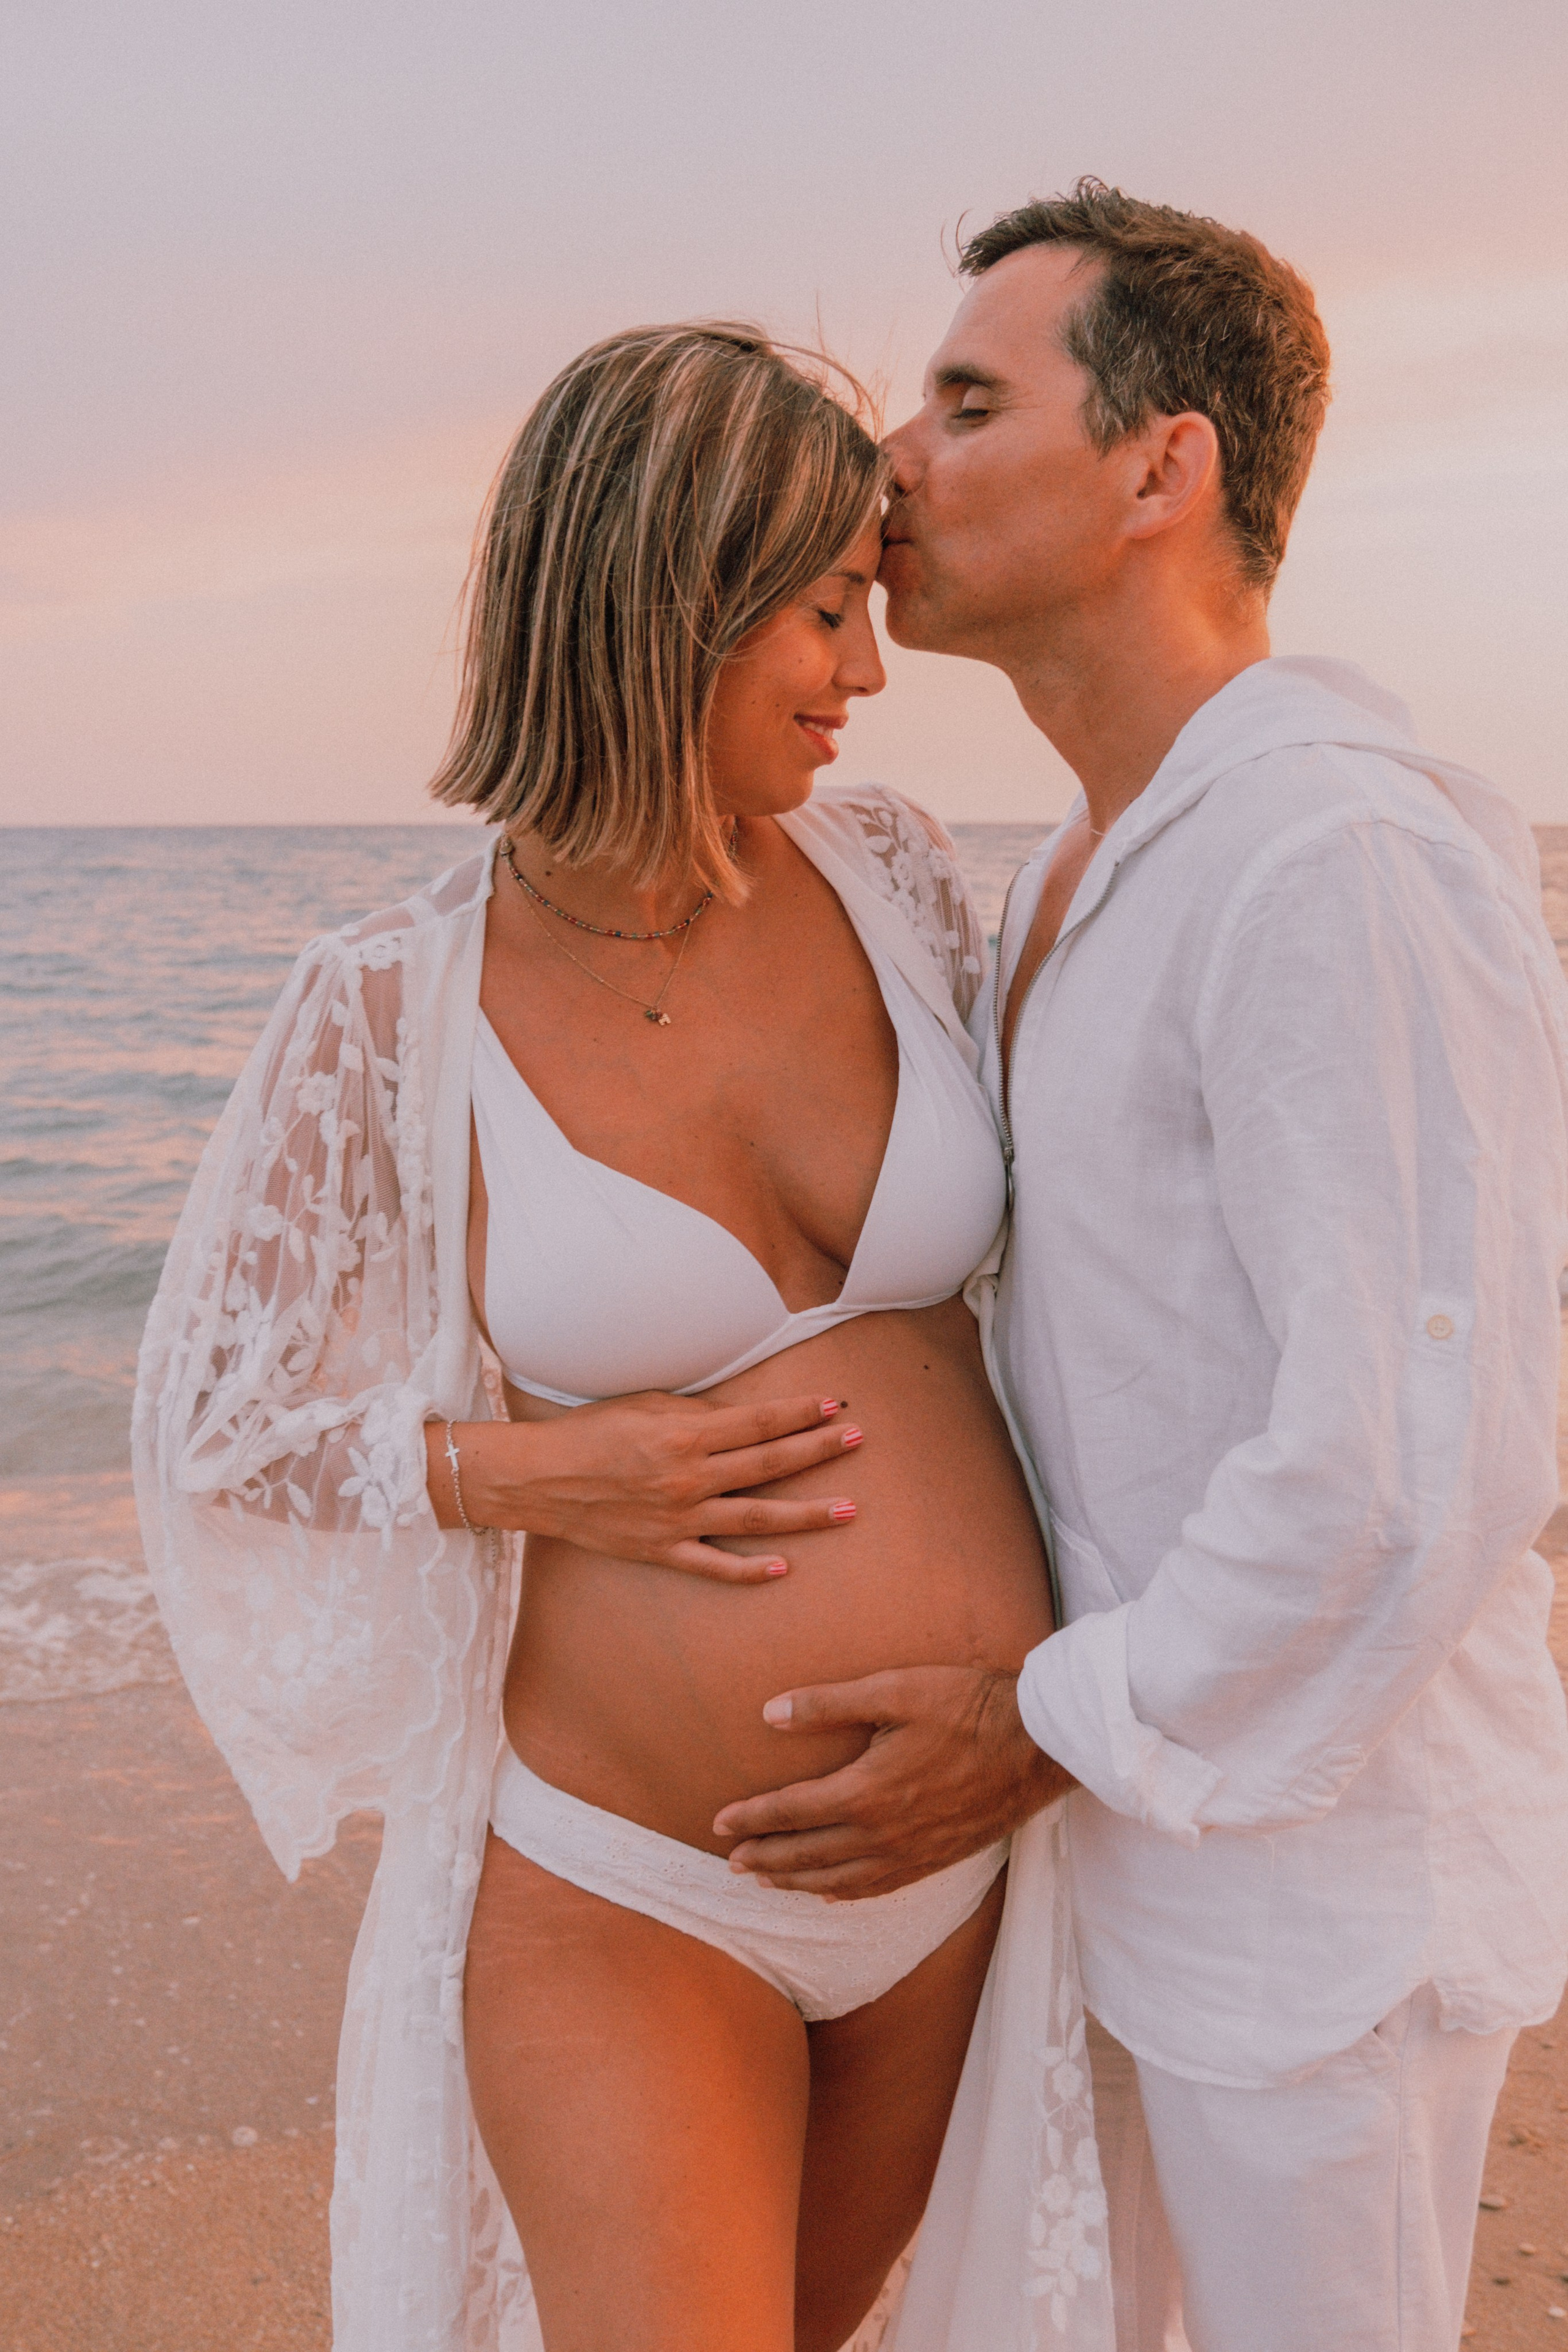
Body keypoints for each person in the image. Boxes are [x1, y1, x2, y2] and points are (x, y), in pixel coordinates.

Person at [134, 324, 1114, 2352]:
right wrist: (510, 1467)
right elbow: (215, 1419)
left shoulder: (898, 876)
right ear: (669, 600)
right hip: (634, 1892)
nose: (866, 670)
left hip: (964, 1848)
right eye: (827, 612)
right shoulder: (391, 1005)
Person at [716, 183, 1568, 2351]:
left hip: (1318, 1908)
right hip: (1125, 1864)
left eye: (971, 398)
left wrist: (1039, 1721)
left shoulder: (1333, 851)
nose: (895, 453)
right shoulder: (1077, 867)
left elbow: (1408, 1457)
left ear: (1162, 469)